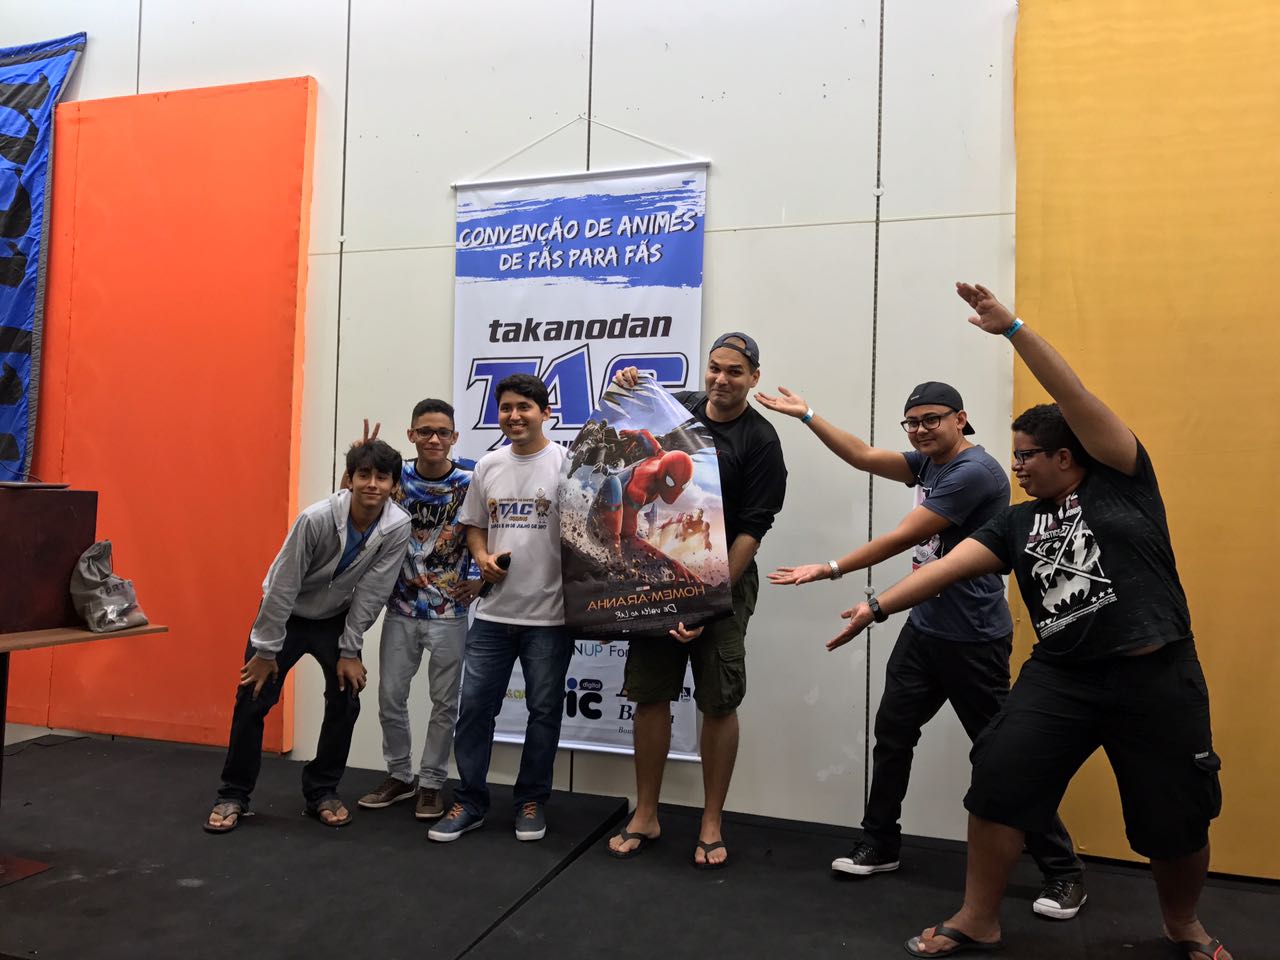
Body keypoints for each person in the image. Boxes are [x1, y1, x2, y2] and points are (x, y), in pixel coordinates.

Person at [831, 284, 1227, 960]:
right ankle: (977, 918)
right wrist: (875, 606)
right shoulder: (1016, 523)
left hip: (1156, 675)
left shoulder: (1125, 480)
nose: (1014, 466)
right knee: (997, 782)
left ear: (1065, 456)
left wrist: (1012, 328)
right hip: (1062, 679)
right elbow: (947, 567)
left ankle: (1184, 925)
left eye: (1026, 456)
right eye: (1012, 456)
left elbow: (1072, 395)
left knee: (1176, 819)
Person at [756, 380, 1086, 918]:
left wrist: (831, 568)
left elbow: (906, 536)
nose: (920, 430)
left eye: (932, 419)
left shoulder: (974, 472)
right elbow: (864, 456)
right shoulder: (931, 462)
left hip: (973, 639)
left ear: (961, 419)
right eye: (912, 422)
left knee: (1003, 756)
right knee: (893, 736)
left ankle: (1063, 870)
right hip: (925, 628)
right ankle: (880, 844)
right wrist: (808, 414)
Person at [606, 332, 787, 869]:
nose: (721, 379)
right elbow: (621, 431)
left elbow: (753, 530)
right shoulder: (678, 409)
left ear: (753, 378)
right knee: (650, 694)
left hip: (723, 581)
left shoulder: (761, 440)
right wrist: (625, 386)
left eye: (735, 371)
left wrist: (708, 602)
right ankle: (646, 813)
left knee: (718, 701)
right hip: (659, 575)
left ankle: (711, 820)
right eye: (715, 368)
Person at [204, 439, 411, 833]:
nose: (372, 484)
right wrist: (266, 650)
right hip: (286, 616)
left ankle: (322, 791)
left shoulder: (397, 526)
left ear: (394, 485)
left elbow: (373, 591)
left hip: (334, 620)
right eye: (364, 475)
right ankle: (233, 794)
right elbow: (283, 585)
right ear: (349, 479)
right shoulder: (316, 519)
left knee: (346, 697)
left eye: (382, 477)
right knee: (252, 697)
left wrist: (350, 649)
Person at [428, 373, 572, 843]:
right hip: (492, 617)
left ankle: (531, 800)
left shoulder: (568, 464)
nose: (514, 416)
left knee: (544, 713)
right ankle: (469, 801)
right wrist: (481, 557)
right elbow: (474, 525)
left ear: (545, 413)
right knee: (474, 710)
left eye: (524, 407)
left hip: (550, 618)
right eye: (506, 407)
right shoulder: (489, 465)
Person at [357, 399, 481, 820]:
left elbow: (490, 531)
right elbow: (356, 504)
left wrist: (482, 580)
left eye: (442, 432)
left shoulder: (469, 481)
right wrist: (356, 464)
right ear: (410, 434)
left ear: (454, 437)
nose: (433, 439)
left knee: (444, 704)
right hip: (400, 609)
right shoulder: (395, 477)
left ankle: (431, 782)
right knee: (390, 696)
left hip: (450, 614)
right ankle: (399, 775)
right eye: (425, 431)